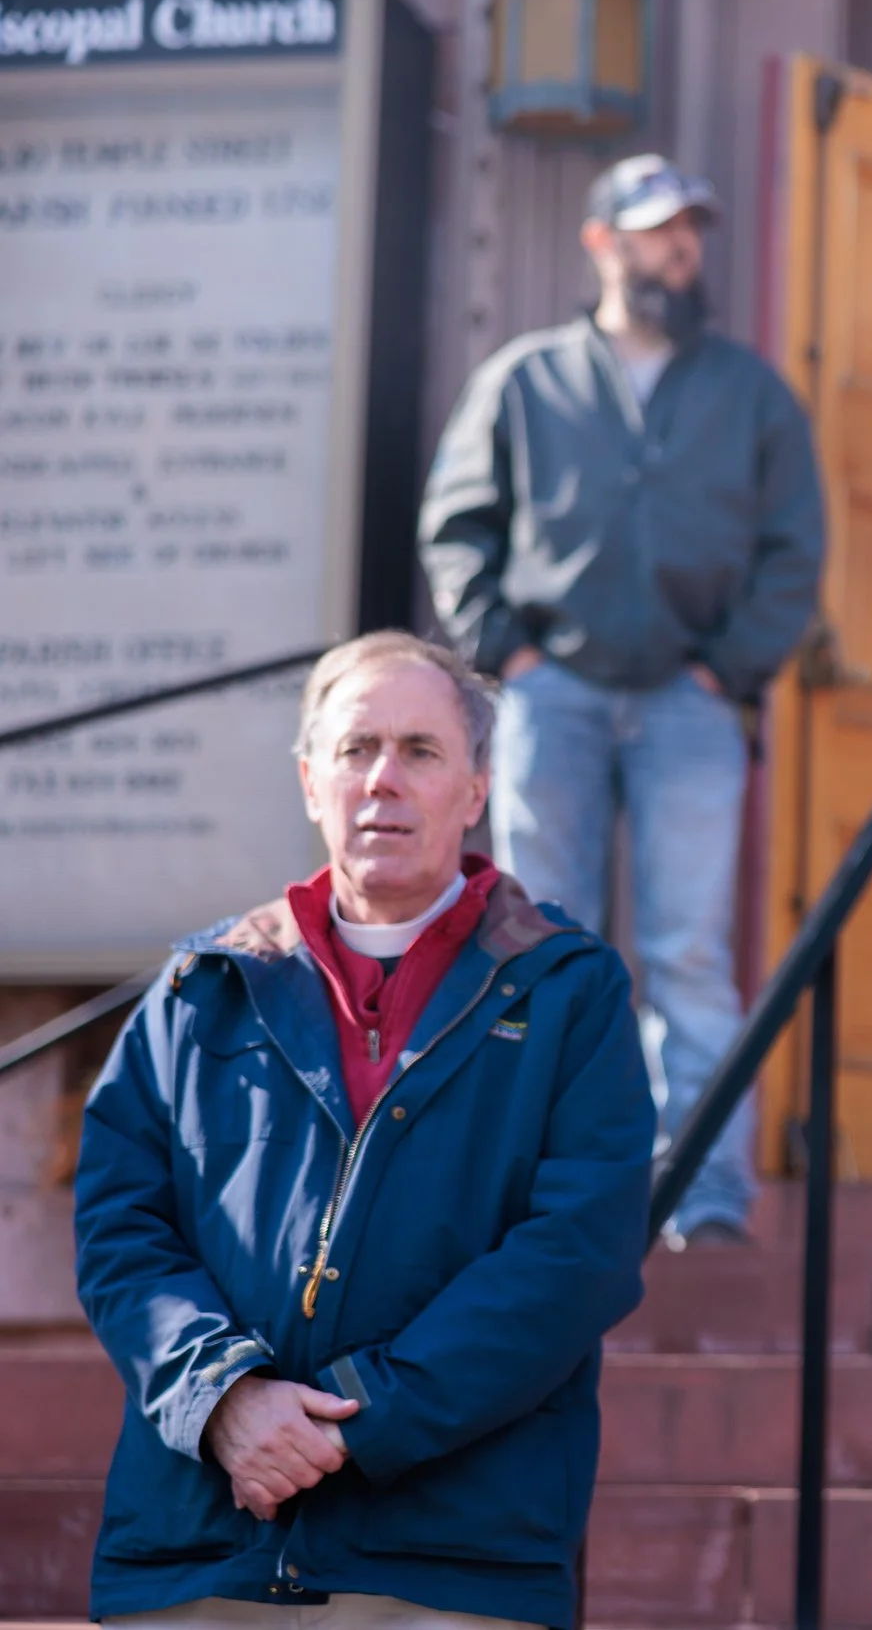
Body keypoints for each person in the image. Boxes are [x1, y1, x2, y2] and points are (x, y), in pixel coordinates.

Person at [72, 633, 653, 1629]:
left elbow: (579, 1254)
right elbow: (121, 1226)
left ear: (475, 788)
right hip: (200, 1555)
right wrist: (224, 1396)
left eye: (421, 750)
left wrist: (358, 1416)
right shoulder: (201, 987)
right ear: (311, 781)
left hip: (448, 1566)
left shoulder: (570, 991)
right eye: (356, 748)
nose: (384, 777)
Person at [418, 152, 827, 1247]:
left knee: (691, 953)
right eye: (655, 230)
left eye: (691, 229)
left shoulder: (749, 392)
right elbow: (458, 525)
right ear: (602, 242)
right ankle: (543, 1189)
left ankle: (705, 1197)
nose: (679, 248)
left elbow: (795, 548)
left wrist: (730, 669)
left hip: (692, 705)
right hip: (554, 698)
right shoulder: (525, 377)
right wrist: (510, 653)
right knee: (540, 942)